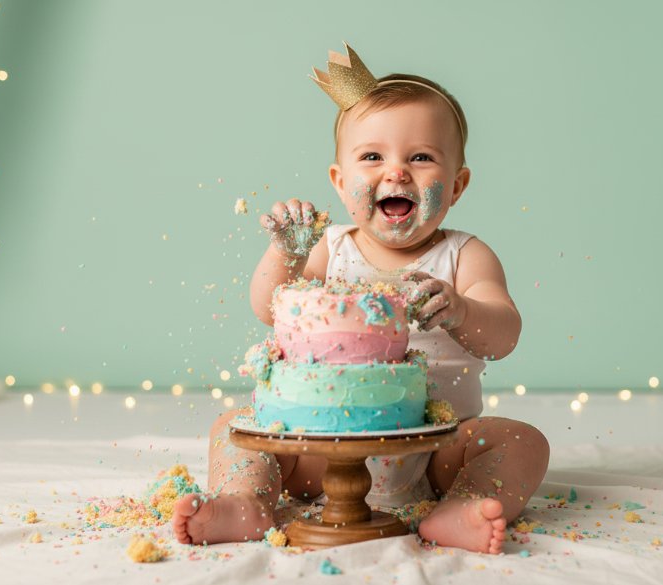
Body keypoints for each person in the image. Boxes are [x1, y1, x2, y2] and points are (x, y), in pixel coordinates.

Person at [172, 44, 548, 554]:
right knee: (231, 428)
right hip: (324, 448)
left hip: (436, 448)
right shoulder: (331, 249)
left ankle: (460, 507)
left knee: (521, 441)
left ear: (457, 185)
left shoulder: (464, 256)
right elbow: (268, 308)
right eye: (372, 157)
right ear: (340, 181)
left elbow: (503, 335)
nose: (396, 172)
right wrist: (286, 253)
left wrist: (461, 310)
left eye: (421, 157)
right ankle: (245, 502)